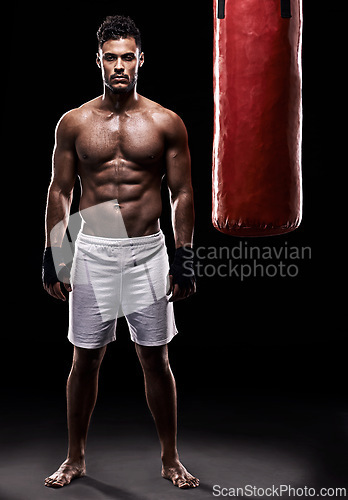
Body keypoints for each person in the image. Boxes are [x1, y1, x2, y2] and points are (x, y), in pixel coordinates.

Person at [42, 15, 199, 489]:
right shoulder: (75, 123)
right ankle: (75, 458)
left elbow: (183, 193)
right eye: (110, 57)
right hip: (91, 251)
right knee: (84, 359)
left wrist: (184, 256)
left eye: (127, 56)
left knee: (156, 358)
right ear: (98, 61)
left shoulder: (165, 122)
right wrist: (56, 253)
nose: (119, 66)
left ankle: (171, 459)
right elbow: (59, 191)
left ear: (140, 59)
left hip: (148, 252)